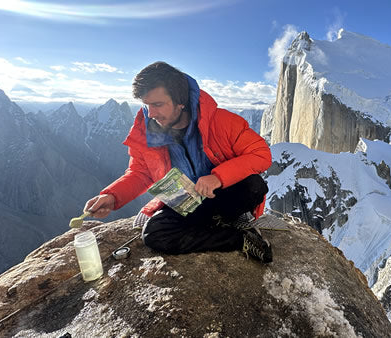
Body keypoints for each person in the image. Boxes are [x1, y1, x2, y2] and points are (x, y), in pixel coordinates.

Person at [83, 61, 273, 263]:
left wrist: (218, 178)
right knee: (154, 234)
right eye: (146, 105)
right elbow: (140, 172)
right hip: (183, 200)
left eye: (157, 104)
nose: (151, 113)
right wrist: (112, 196)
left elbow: (261, 154)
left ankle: (214, 223)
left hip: (223, 194)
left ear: (180, 102)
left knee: (254, 186)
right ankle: (238, 238)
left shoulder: (222, 122)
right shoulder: (146, 132)